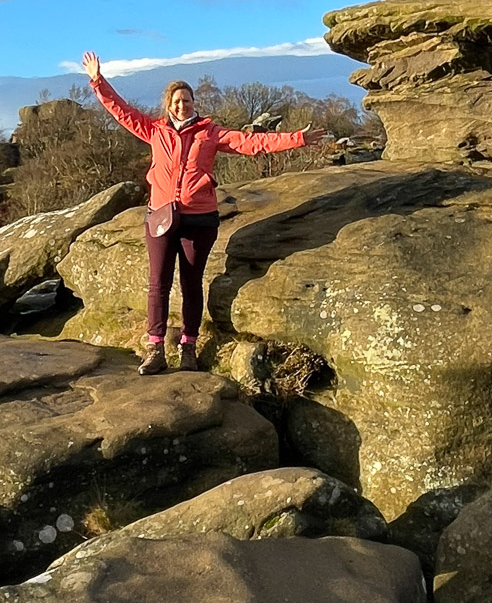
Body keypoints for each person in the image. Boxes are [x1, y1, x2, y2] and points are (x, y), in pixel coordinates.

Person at [81, 52, 328, 374]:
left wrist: (297, 139)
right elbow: (121, 112)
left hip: (199, 218)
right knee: (157, 283)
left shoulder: (210, 133)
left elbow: (250, 142)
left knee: (192, 284)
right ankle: (155, 348)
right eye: (177, 101)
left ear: (194, 102)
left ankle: (189, 346)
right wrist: (98, 81)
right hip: (161, 216)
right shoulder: (155, 130)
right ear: (168, 105)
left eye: (187, 100)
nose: (182, 105)